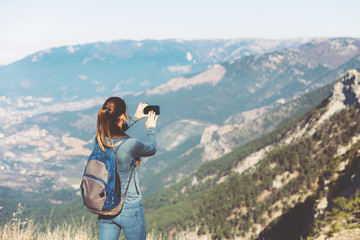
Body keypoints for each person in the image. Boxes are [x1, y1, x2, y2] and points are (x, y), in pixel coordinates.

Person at [95, 97, 158, 240]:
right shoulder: (131, 144)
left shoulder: (99, 139)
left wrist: (135, 118)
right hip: (129, 207)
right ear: (123, 116)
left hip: (106, 206)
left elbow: (115, 131)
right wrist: (151, 129)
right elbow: (152, 149)